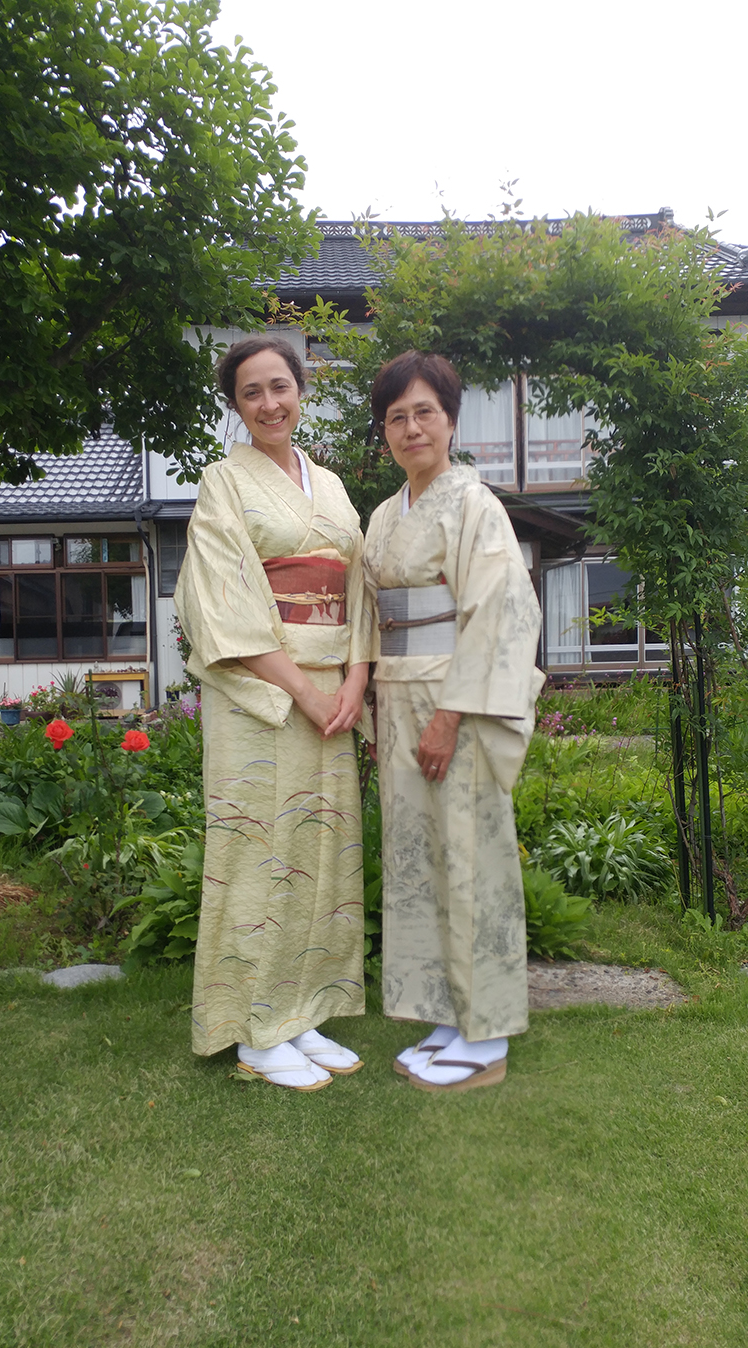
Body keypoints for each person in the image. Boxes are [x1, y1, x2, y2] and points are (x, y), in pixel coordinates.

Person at [174, 335, 376, 1090]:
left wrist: (355, 681)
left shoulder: (331, 486)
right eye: (251, 392)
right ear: (236, 405)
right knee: (260, 852)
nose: (269, 403)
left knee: (321, 851)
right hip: (261, 695)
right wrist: (308, 691)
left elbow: (360, 589)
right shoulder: (223, 483)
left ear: (301, 389)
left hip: (331, 693)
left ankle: (301, 1010)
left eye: (280, 386)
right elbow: (221, 601)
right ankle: (255, 1031)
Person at [362, 350, 543, 1091]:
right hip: (396, 694)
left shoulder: (475, 505)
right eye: (396, 417)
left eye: (424, 413)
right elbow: (373, 616)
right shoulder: (384, 516)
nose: (411, 429)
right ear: (385, 431)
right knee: (418, 858)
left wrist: (450, 715)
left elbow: (499, 613)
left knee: (470, 853)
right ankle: (444, 1011)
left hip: (454, 700)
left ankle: (487, 1032)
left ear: (451, 421)